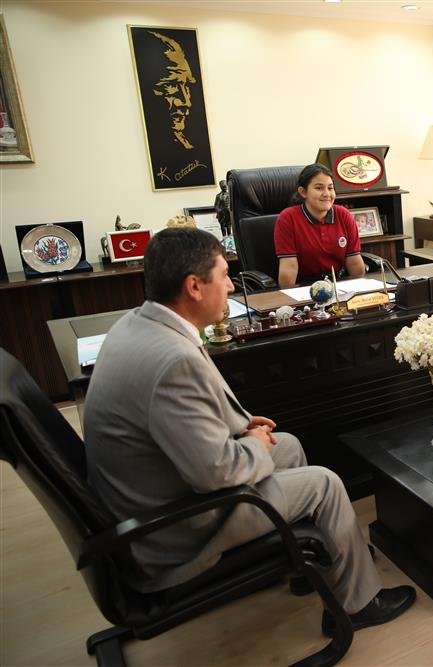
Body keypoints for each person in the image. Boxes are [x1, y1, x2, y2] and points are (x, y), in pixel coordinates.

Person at [84, 227, 415, 636]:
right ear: (193, 287)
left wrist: (239, 427)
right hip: (175, 528)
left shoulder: (139, 324)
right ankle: (357, 604)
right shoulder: (171, 360)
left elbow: (174, 419)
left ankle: (308, 562)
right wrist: (250, 443)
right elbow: (216, 473)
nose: (229, 286)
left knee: (287, 446)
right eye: (224, 276)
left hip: (155, 491)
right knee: (324, 484)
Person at [274, 164, 365, 288]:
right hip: (304, 287)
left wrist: (361, 292)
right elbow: (289, 269)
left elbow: (354, 262)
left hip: (339, 284)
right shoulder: (288, 218)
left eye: (330, 188)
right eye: (319, 188)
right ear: (303, 192)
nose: (327, 194)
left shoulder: (343, 215)